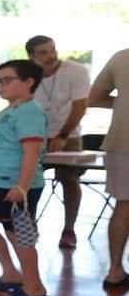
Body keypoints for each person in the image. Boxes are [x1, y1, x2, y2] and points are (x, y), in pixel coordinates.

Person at [0, 59, 49, 296]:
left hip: (15, 186)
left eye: (7, 80)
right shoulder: (9, 111)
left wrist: (22, 187)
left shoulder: (30, 112)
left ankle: (34, 286)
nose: (1, 85)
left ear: (29, 82)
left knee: (20, 235)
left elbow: (31, 153)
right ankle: (10, 273)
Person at [26, 35, 90, 249]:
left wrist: (63, 135)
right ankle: (29, 226)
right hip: (36, 135)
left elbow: (80, 106)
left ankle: (69, 230)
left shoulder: (76, 71)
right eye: (43, 52)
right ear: (31, 56)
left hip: (68, 134)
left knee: (69, 180)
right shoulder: (27, 74)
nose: (51, 55)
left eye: (52, 50)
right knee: (28, 179)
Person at [88, 48, 129, 288]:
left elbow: (94, 98)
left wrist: (123, 102)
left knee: (124, 205)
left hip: (121, 141)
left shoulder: (122, 57)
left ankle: (114, 270)